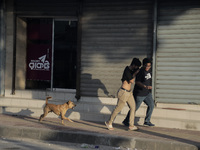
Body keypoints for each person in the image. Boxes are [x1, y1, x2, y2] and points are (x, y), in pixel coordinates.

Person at [105, 58, 141, 131]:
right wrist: (135, 73)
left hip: (129, 93)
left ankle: (131, 125)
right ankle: (109, 122)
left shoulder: (132, 70)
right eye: (137, 66)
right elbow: (131, 80)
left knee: (133, 107)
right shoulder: (127, 70)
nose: (137, 68)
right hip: (123, 92)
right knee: (118, 109)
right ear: (133, 65)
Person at [123, 58, 155, 127]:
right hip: (139, 94)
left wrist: (149, 89)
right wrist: (145, 86)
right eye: (146, 66)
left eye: (149, 66)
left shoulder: (150, 71)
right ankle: (126, 120)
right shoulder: (140, 71)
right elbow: (137, 82)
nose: (147, 67)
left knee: (151, 105)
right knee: (134, 108)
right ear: (143, 65)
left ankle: (147, 121)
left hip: (147, 93)